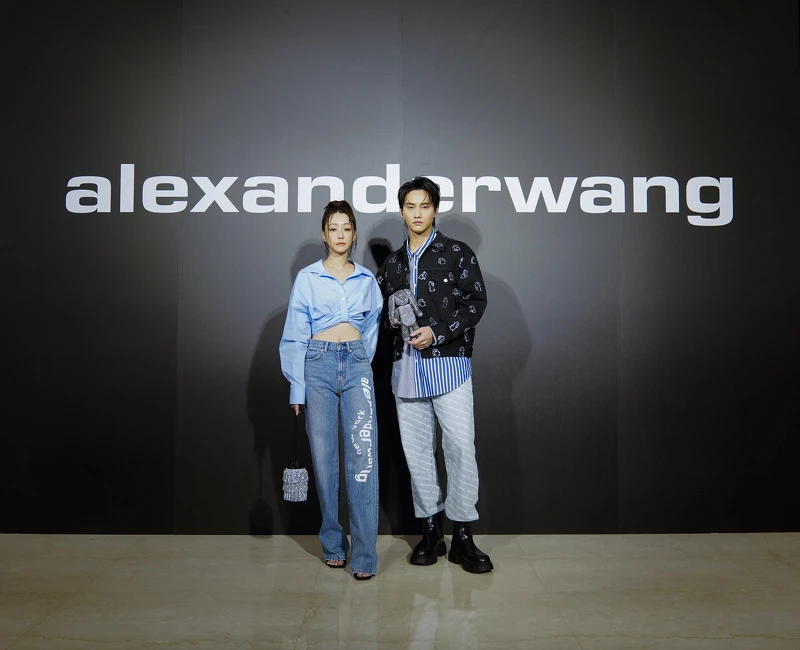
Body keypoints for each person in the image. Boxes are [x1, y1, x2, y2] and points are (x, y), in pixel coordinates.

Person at [376, 177, 493, 573]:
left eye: (424, 206)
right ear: (402, 211)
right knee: (417, 453)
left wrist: (437, 332)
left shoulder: (457, 253)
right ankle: (430, 532)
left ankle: (462, 536)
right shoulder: (392, 264)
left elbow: (475, 303)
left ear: (435, 210)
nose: (417, 213)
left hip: (450, 366)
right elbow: (382, 319)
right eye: (410, 206)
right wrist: (392, 320)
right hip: (405, 369)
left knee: (460, 448)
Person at [279, 200, 382, 580]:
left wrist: (360, 359)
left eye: (346, 228)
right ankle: (333, 544)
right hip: (317, 365)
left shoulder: (367, 280)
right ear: (324, 235)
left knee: (363, 460)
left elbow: (372, 328)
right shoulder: (307, 278)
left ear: (354, 234)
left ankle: (365, 555)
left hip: (356, 366)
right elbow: (295, 334)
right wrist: (297, 388)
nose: (340, 234)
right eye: (333, 228)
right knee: (324, 460)